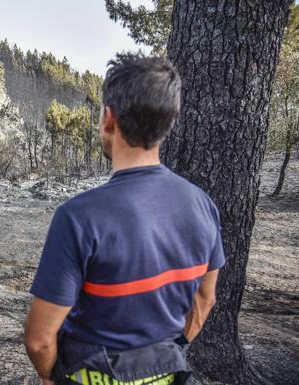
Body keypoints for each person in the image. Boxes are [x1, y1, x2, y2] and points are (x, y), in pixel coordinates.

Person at [24, 54, 225, 385]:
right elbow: (205, 299)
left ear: (109, 118)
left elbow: (39, 339)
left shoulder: (78, 217)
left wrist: (49, 377)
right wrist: (171, 353)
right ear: (169, 120)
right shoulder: (203, 206)